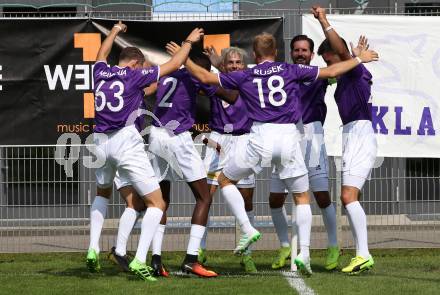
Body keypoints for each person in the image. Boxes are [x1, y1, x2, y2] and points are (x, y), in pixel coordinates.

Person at [166, 31, 378, 276]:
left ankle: (247, 229)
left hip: (259, 139)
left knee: (224, 180)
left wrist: (184, 58)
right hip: (289, 138)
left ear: (255, 55)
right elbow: (331, 72)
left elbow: (203, 76)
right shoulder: (290, 70)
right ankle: (305, 254)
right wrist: (359, 59)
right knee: (302, 197)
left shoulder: (246, 74)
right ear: (275, 52)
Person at [86, 20, 203, 282]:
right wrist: (188, 42)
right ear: (136, 64)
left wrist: (114, 31)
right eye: (143, 66)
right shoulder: (134, 75)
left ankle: (93, 247)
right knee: (157, 203)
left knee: (103, 193)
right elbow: (173, 65)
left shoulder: (100, 72)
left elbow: (101, 54)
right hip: (125, 140)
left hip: (100, 141)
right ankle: (140, 259)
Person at [147, 52, 236, 278]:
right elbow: (232, 96)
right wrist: (215, 72)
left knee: (161, 200)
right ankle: (191, 259)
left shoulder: (169, 73)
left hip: (156, 136)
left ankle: (156, 259)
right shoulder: (196, 76)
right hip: (177, 138)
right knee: (204, 197)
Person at [313, 5, 377, 274]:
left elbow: (340, 50)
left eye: (328, 60)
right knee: (351, 198)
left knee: (348, 196)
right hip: (352, 134)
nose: (330, 67)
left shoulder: (353, 70)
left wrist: (324, 20)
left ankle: (363, 254)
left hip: (360, 134)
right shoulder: (347, 74)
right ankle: (361, 253)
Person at [269, 34, 339, 271]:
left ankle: (333, 246)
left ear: (311, 54)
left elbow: (341, 68)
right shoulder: (284, 74)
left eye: (304, 50)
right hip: (286, 136)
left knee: (321, 196)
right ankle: (285, 246)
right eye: (296, 50)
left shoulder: (320, 76)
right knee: (275, 200)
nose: (300, 54)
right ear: (291, 52)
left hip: (312, 136)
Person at [199, 46, 257, 273]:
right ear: (224, 65)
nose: (234, 66)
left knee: (246, 199)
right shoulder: (215, 82)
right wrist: (215, 64)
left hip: (243, 140)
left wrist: (217, 63)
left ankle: (248, 254)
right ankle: (200, 250)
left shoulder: (250, 83)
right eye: (230, 63)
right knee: (205, 196)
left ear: (244, 66)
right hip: (217, 140)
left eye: (238, 63)